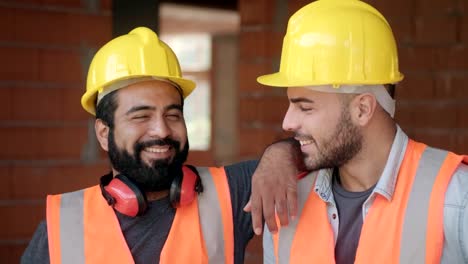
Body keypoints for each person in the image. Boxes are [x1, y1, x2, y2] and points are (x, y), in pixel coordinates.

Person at [21, 26, 298, 264]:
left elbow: (319, 149)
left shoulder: (231, 192)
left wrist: (280, 153)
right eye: (141, 116)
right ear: (104, 133)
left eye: (172, 114)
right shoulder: (62, 228)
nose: (162, 129)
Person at [250, 0, 468, 263]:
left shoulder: (456, 196)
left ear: (363, 109)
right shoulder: (285, 198)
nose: (287, 122)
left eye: (305, 108)